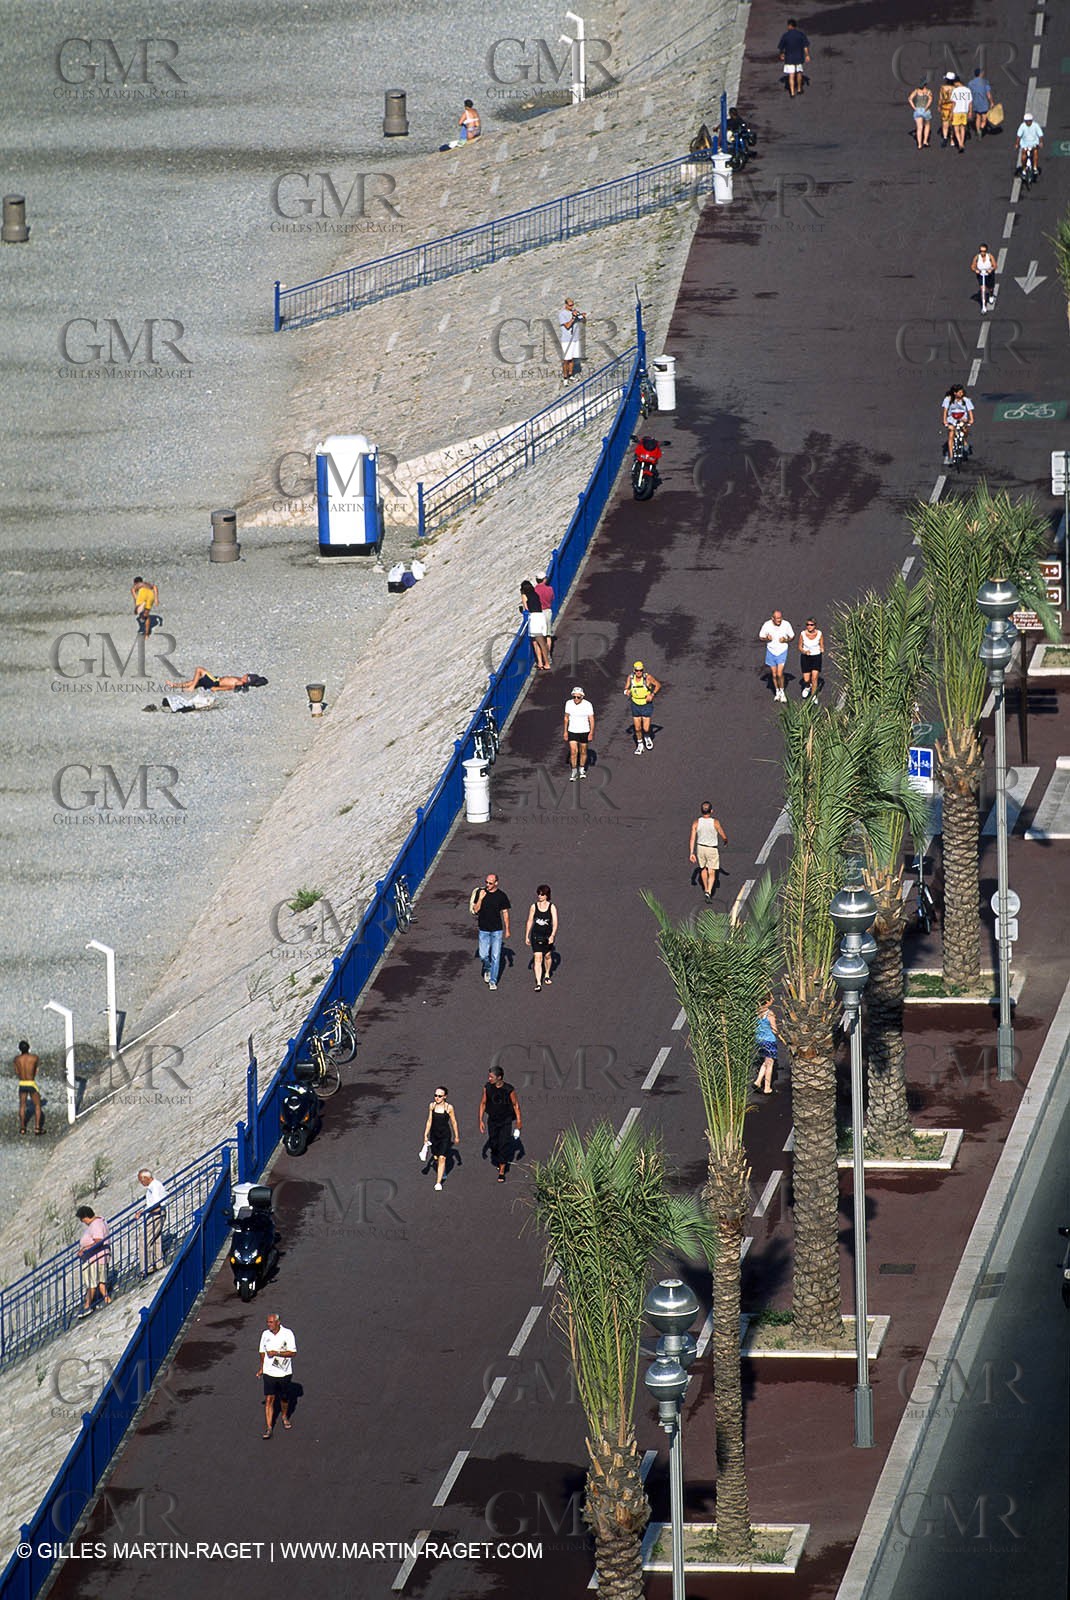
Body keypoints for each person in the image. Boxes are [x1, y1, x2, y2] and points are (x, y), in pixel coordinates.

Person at [479, 1065, 522, 1183]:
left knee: (503, 1144)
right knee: (494, 1143)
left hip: (505, 1121)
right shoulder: (487, 1087)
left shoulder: (509, 1089)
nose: (489, 1079)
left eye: (491, 1077)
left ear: (499, 1077)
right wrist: (480, 1120)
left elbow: (515, 1105)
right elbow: (483, 1103)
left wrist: (519, 1121)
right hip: (492, 1120)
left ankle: (502, 1171)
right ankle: (499, 1159)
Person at [256, 1312, 296, 1437]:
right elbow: (262, 1352)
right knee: (269, 1399)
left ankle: (284, 1416)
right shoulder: (265, 1334)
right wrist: (261, 1368)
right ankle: (269, 1427)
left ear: (278, 1322)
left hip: (284, 1372)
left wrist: (277, 1353)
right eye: (268, 1322)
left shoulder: (288, 1333)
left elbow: (293, 1353)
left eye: (271, 1322)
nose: (269, 1325)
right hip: (269, 1372)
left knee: (284, 1397)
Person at [469, 872, 511, 989]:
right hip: (483, 929)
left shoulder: (501, 896)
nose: (487, 885)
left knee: (496, 956)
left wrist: (507, 929)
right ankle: (487, 968)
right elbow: (476, 910)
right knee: (483, 955)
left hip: (497, 930)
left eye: (490, 883)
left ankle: (493, 981)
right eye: (486, 882)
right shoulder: (480, 893)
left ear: (496, 883)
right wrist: (481, 898)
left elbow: (505, 913)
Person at [76, 1205, 111, 1316]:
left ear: (85, 1217)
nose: (83, 1222)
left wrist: (85, 1249)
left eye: (82, 1220)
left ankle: (88, 1305)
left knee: (91, 1283)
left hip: (94, 1258)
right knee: (101, 1280)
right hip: (98, 1256)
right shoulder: (100, 1221)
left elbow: (98, 1240)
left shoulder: (96, 1225)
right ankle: (106, 1298)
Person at [688, 803, 728, 901]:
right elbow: (722, 833)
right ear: (711, 811)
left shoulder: (696, 822)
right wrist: (725, 840)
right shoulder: (715, 822)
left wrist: (691, 853)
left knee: (703, 869)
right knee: (712, 871)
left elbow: (692, 838)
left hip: (700, 848)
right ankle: (709, 891)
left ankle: (705, 888)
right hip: (711, 849)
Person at [423, 1086, 460, 1190]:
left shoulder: (449, 1108)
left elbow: (453, 1122)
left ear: (445, 1097)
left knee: (442, 1157)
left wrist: (456, 1135)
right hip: (434, 1135)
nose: (437, 1098)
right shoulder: (432, 1106)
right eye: (435, 1095)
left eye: (440, 1096)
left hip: (445, 1135)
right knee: (436, 1157)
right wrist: (425, 1134)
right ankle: (442, 1170)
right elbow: (429, 1120)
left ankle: (438, 1182)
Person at [525, 884, 558, 990]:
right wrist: (527, 936)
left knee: (547, 956)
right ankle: (538, 983)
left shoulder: (551, 907)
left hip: (547, 936)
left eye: (542, 894)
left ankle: (547, 974)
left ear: (547, 895)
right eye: (538, 894)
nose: (539, 896)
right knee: (537, 957)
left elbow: (555, 922)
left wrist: (552, 935)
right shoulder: (534, 906)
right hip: (536, 935)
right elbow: (530, 921)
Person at [624, 660, 661, 754]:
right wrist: (626, 692)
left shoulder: (647, 678)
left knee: (646, 728)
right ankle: (640, 745)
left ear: (643, 670)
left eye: (640, 670)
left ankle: (647, 737)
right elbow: (626, 688)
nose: (639, 672)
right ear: (634, 670)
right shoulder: (630, 678)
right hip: (635, 705)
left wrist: (652, 694)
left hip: (646, 705)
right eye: (637, 670)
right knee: (637, 728)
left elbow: (658, 685)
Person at [759, 610, 794, 702]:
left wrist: (785, 639)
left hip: (782, 651)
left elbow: (792, 637)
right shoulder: (767, 625)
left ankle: (782, 692)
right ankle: (777, 691)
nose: (779, 620)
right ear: (772, 619)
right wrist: (767, 638)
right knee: (774, 675)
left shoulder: (786, 624)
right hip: (771, 651)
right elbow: (761, 636)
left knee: (779, 673)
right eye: (777, 618)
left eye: (780, 618)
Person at [137, 1168, 168, 1273]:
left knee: (144, 1240)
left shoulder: (154, 1187)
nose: (141, 1183)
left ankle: (147, 1267)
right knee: (156, 1239)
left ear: (145, 1178)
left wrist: (144, 1212)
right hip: (157, 1214)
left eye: (141, 1180)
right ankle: (158, 1262)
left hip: (155, 1215)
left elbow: (157, 1204)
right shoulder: (155, 1185)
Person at [563, 686, 595, 780]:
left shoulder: (588, 705)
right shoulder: (568, 703)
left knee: (583, 751)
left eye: (578, 697)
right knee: (573, 752)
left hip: (584, 731)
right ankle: (574, 771)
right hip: (572, 731)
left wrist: (591, 733)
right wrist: (565, 731)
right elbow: (566, 718)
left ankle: (581, 769)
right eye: (574, 697)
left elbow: (591, 719)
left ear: (582, 697)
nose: (576, 699)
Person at [520, 580, 550, 671]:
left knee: (539, 643)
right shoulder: (535, 594)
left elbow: (527, 608)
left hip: (534, 619)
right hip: (541, 617)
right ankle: (540, 663)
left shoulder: (524, 595)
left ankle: (546, 663)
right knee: (536, 642)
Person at [14, 1040, 42, 1135]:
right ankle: (37, 1128)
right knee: (37, 1105)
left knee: (22, 1105)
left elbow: (17, 1072)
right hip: (31, 1083)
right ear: (28, 1048)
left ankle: (22, 1128)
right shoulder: (34, 1058)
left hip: (22, 1083)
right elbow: (35, 1071)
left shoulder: (17, 1059)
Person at [777, 18, 810, 96]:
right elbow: (805, 46)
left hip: (789, 58)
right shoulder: (801, 34)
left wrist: (781, 54)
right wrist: (807, 55)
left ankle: (792, 92)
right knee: (799, 73)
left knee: (791, 75)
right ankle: (799, 89)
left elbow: (781, 47)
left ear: (789, 26)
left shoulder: (785, 35)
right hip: (799, 57)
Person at [754, 996, 779, 1095]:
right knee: (770, 1064)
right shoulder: (769, 1014)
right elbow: (774, 1029)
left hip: (760, 1040)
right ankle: (767, 1088)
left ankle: (758, 1081)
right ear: (767, 1001)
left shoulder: (757, 1012)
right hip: (769, 1040)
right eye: (771, 998)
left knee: (765, 1062)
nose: (773, 1000)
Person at [942, 385, 974, 462]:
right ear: (955, 393)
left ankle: (964, 442)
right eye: (959, 392)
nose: (961, 393)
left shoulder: (965, 400)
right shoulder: (948, 400)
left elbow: (969, 411)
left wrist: (971, 420)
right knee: (951, 435)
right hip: (952, 419)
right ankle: (951, 456)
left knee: (964, 430)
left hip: (962, 418)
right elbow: (945, 411)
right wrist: (945, 421)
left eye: (962, 392)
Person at [557, 298, 585, 383]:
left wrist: (582, 316)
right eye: (570, 305)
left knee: (572, 359)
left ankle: (570, 375)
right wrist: (573, 317)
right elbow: (567, 326)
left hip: (575, 339)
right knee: (566, 360)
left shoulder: (574, 312)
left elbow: (582, 321)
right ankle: (565, 378)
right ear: (566, 305)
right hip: (567, 340)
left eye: (572, 304)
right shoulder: (562, 314)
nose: (571, 306)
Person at [798, 617, 825, 700]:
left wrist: (822, 649)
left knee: (814, 678)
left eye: (811, 625)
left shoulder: (819, 634)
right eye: (807, 625)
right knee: (806, 679)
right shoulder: (802, 634)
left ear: (815, 626)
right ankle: (807, 687)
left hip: (816, 657)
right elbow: (799, 647)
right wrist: (804, 651)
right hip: (806, 657)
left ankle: (813, 696)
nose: (809, 626)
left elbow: (821, 644)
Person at [165, 668, 251, 692]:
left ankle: (191, 688)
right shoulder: (239, 680)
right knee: (195, 681)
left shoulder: (238, 682)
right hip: (214, 682)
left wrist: (216, 689)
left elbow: (228, 688)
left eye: (246, 677)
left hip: (214, 681)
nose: (244, 675)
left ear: (246, 681)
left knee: (199, 669)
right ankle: (175, 685)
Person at [533, 569, 555, 658]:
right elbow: (552, 598)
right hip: (547, 612)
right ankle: (547, 655)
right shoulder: (549, 589)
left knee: (538, 637)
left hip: (538, 613)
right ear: (544, 579)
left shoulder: (534, 591)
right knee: (548, 635)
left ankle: (541, 658)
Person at [970, 244, 997, 313]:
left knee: (990, 288)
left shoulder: (990, 256)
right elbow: (972, 266)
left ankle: (991, 295)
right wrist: (976, 270)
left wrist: (991, 269)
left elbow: (995, 265)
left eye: (984, 251)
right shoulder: (977, 257)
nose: (983, 253)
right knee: (983, 290)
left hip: (989, 275)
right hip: (981, 275)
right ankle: (983, 306)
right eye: (981, 251)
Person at [1015, 111, 1043, 177]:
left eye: (1029, 121)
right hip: (1025, 143)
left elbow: (1040, 134)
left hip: (1034, 143)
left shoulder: (1035, 125)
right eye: (1026, 121)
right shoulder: (1022, 126)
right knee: (1024, 154)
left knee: (1035, 152)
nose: (1028, 122)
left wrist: (1041, 142)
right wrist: (1017, 144)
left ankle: (1035, 167)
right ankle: (1024, 169)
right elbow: (1018, 136)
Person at [949, 74, 971, 152]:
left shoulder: (955, 90)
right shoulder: (967, 90)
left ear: (956, 82)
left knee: (956, 129)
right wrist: (970, 112)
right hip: (964, 111)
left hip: (956, 111)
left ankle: (960, 143)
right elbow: (970, 103)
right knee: (963, 128)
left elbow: (953, 103)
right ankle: (962, 142)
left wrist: (951, 113)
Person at [968, 67, 993, 136]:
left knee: (978, 116)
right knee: (984, 118)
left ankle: (978, 130)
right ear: (980, 74)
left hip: (975, 102)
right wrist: (991, 102)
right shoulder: (985, 82)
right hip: (983, 103)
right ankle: (981, 128)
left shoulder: (970, 83)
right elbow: (988, 94)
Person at [908, 82, 932, 149]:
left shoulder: (916, 91)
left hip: (918, 109)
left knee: (919, 128)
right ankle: (925, 141)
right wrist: (926, 107)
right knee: (927, 125)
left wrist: (914, 108)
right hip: (925, 110)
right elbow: (930, 100)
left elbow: (910, 98)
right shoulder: (928, 91)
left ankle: (919, 144)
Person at [937, 72, 955, 147]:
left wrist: (939, 106)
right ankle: (952, 139)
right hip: (953, 107)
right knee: (953, 124)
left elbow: (941, 98)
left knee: (945, 123)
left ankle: (945, 138)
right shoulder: (955, 88)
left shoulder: (942, 88)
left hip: (945, 107)